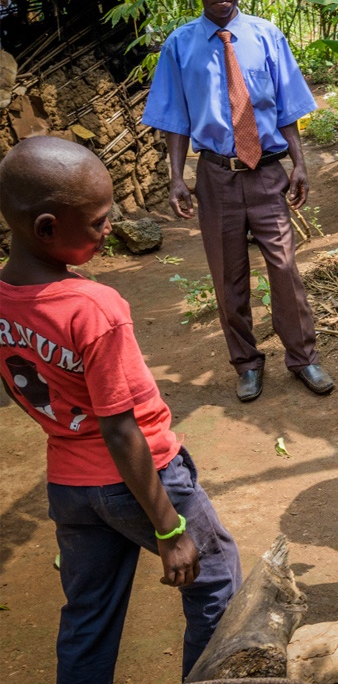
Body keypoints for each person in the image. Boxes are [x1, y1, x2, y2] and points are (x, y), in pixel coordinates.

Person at [0, 137, 242, 683]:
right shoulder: (93, 308)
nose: (110, 228)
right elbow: (119, 426)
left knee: (88, 615)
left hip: (69, 486)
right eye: (98, 221)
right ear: (46, 228)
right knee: (216, 581)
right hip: (142, 479)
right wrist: (168, 527)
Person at [142, 0, 333, 402]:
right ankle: (246, 364)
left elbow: (287, 107)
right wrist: (175, 177)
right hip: (216, 177)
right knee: (227, 275)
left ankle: (303, 357)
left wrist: (299, 162)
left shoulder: (267, 37)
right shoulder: (180, 46)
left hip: (267, 174)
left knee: (284, 267)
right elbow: (173, 119)